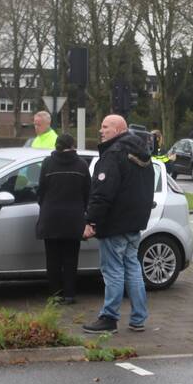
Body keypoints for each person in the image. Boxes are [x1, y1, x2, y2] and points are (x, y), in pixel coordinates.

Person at [81, 114, 154, 333]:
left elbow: (102, 193)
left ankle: (109, 318)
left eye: (106, 127)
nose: (101, 131)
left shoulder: (113, 155)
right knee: (132, 268)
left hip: (114, 224)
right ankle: (139, 318)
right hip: (134, 223)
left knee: (112, 270)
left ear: (119, 130)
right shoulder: (143, 154)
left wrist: (91, 221)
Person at [35, 133, 90, 305]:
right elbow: (88, 192)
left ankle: (55, 294)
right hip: (74, 218)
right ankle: (70, 294)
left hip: (51, 217)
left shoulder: (47, 163)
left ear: (56, 145)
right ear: (73, 145)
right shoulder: (81, 165)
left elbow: (41, 191)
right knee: (71, 258)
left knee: (52, 258)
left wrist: (45, 206)